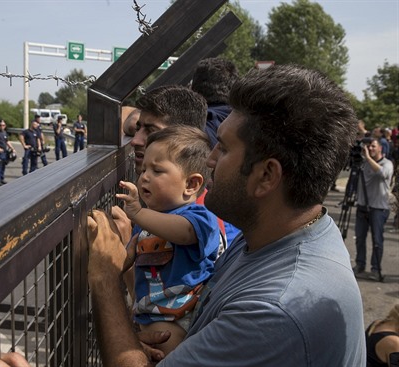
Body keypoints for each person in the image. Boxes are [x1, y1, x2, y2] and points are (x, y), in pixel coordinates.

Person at [86, 65, 365, 366]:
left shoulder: (275, 310)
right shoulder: (268, 234)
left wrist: (104, 279)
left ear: (266, 175)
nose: (210, 158)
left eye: (225, 147)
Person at [117, 125, 219, 355]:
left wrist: (138, 213)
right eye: (144, 170)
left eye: (157, 171)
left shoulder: (199, 217)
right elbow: (132, 264)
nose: (144, 177)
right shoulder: (148, 220)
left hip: (178, 316)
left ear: (191, 184)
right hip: (148, 312)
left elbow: (183, 232)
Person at [190, 57, 241, 245]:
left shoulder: (194, 127)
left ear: (193, 89)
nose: (211, 160)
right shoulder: (249, 124)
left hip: (200, 227)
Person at [353, 137, 394, 281]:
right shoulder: (363, 163)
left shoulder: (387, 163)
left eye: (373, 146)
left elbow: (382, 174)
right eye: (368, 146)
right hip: (362, 206)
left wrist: (368, 158)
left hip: (378, 208)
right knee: (359, 238)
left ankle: (376, 269)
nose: (370, 148)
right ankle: (360, 264)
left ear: (380, 148)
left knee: (377, 240)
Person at [0, 119, 16, 186]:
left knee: (3, 165)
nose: (2, 126)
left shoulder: (5, 132)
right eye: (1, 125)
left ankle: (2, 178)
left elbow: (7, 141)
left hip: (5, 151)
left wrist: (12, 148)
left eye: (3, 125)